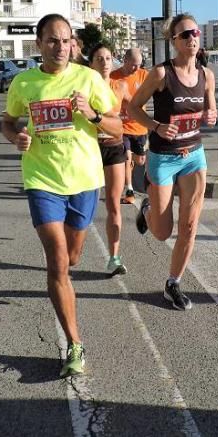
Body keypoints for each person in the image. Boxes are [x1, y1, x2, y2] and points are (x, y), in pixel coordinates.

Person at [2, 14, 121, 376]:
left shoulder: (88, 79)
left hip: (84, 180)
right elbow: (8, 122)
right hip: (42, 179)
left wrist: (93, 114)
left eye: (66, 40)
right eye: (52, 40)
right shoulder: (24, 83)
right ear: (38, 44)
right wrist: (16, 137)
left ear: (73, 44)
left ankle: (64, 282)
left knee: (72, 257)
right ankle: (74, 343)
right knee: (56, 261)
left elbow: (118, 128)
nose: (60, 47)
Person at [127, 14, 217, 311]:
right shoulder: (161, 74)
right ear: (174, 41)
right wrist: (155, 126)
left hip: (194, 155)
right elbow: (133, 107)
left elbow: (211, 108)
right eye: (185, 34)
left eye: (196, 32)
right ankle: (148, 207)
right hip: (163, 158)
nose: (193, 37)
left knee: (189, 226)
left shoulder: (207, 75)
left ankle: (173, 283)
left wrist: (211, 115)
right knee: (162, 232)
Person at [88, 43, 129, 276]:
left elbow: (136, 108)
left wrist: (142, 140)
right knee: (86, 203)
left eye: (108, 58)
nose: (105, 62)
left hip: (114, 147)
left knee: (114, 204)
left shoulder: (120, 86)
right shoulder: (83, 88)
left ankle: (114, 257)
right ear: (91, 63)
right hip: (89, 149)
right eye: (99, 58)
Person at [110, 47, 148, 204]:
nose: (137, 68)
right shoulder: (113, 77)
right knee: (126, 156)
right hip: (122, 126)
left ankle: (132, 162)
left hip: (139, 126)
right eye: (133, 65)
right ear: (125, 61)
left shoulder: (144, 75)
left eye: (139, 64)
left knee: (139, 161)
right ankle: (130, 190)